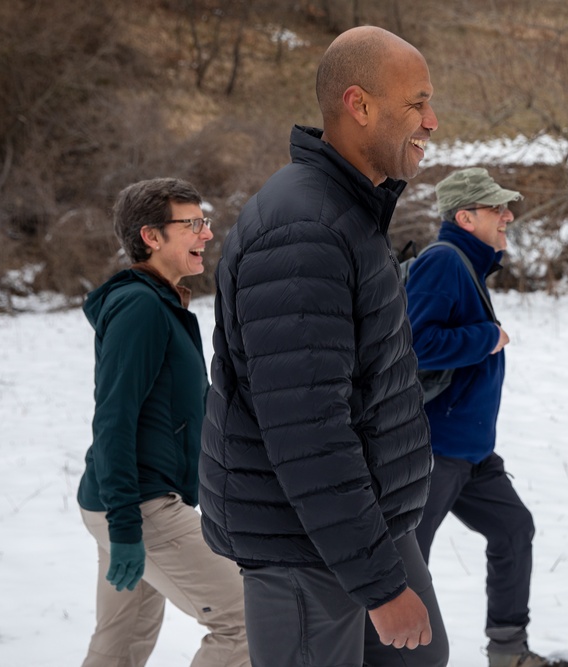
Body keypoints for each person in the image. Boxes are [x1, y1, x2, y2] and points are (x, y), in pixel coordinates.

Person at [198, 26, 448, 667]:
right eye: (416, 103)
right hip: (303, 546)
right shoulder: (303, 231)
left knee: (422, 657)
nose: (432, 120)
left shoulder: (348, 213)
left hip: (362, 524)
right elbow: (307, 430)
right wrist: (381, 584)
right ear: (358, 105)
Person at [76, 177, 249, 667]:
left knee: (121, 645)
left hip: (123, 501)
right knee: (246, 622)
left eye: (205, 222)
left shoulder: (161, 304)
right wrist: (128, 528)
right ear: (151, 236)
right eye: (192, 224)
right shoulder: (140, 308)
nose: (207, 235)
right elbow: (113, 419)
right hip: (136, 504)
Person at [406, 168, 568, 667]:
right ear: (465, 217)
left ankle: (507, 651)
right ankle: (394, 658)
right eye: (496, 209)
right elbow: (416, 345)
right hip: (435, 451)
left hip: (472, 452)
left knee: (512, 529)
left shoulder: (469, 265)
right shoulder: (444, 261)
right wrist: (487, 338)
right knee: (410, 564)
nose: (509, 216)